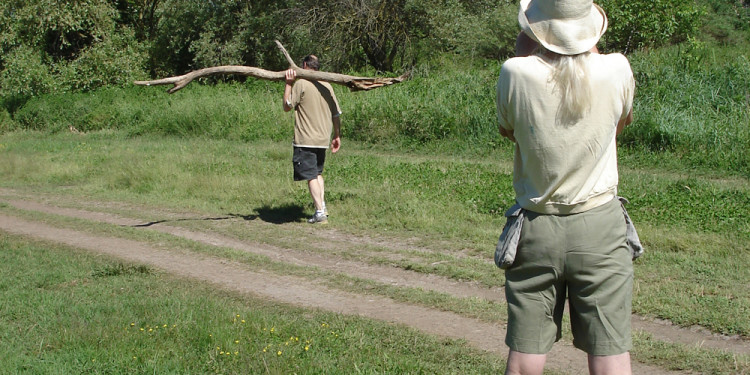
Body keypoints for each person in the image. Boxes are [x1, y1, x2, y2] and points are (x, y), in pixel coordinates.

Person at [495, 0, 636, 374]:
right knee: (610, 352)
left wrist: (529, 43)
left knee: (525, 355)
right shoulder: (617, 68)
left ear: (537, 27)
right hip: (600, 227)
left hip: (537, 226)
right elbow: (618, 126)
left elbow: (510, 132)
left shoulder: (515, 72)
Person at [283, 55, 342, 224]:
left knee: (311, 176)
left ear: (303, 65)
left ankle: (320, 211)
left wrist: (288, 84)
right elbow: (336, 114)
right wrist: (337, 135)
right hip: (322, 139)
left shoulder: (301, 83)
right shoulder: (327, 84)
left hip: (306, 139)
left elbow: (287, 106)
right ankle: (322, 207)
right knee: (317, 173)